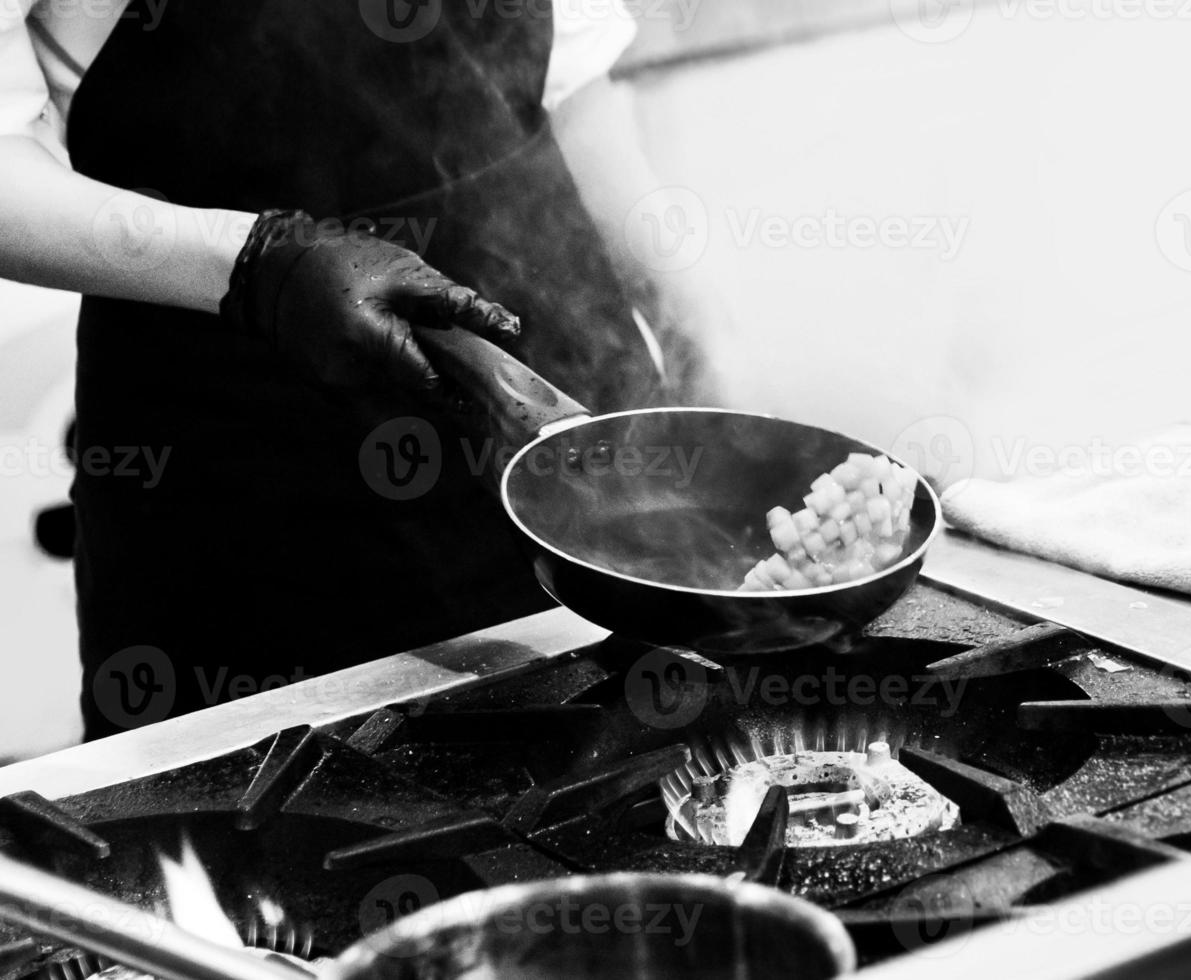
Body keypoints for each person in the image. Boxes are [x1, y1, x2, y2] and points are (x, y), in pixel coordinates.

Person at [0, 0, 725, 738]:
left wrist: (689, 324)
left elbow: (571, 76)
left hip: (568, 406)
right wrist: (259, 268)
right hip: (250, 475)